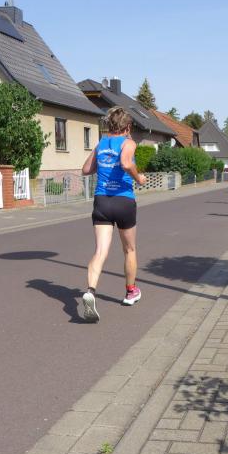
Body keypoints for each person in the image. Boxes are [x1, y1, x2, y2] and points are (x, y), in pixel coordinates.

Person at [80, 106, 147, 322]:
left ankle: (90, 291)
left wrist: (104, 163)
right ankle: (131, 292)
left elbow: (86, 169)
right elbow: (126, 163)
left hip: (102, 201)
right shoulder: (128, 143)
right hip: (123, 200)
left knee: (100, 251)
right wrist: (139, 178)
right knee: (129, 249)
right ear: (127, 127)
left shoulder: (101, 144)